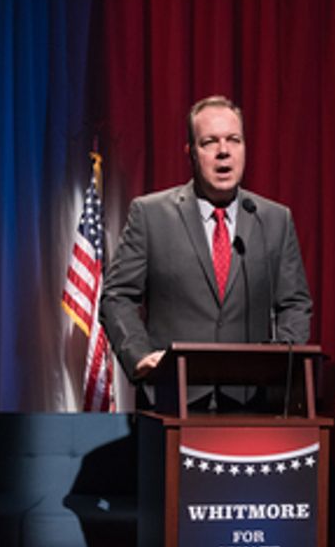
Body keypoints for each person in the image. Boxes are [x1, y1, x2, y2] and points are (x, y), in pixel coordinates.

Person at [99, 95, 312, 406]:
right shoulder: (151, 215)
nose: (223, 151)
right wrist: (140, 356)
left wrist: (280, 363)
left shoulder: (274, 220)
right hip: (172, 400)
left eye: (233, 140)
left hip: (252, 403)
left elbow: (294, 303)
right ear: (191, 153)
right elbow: (117, 296)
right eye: (210, 142)